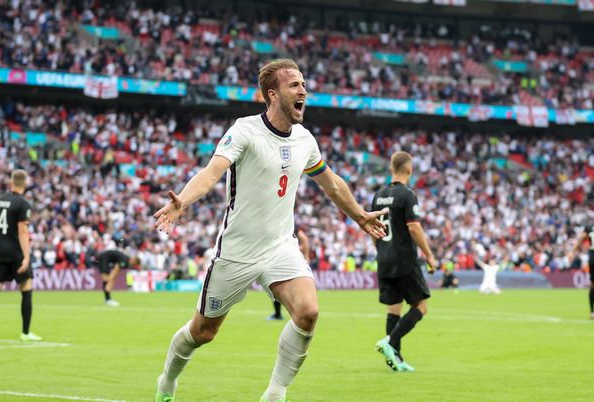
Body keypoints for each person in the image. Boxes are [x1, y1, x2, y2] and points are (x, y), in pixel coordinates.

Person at [152, 58, 387, 402]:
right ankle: (167, 381)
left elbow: (332, 184)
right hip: (237, 250)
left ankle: (275, 394)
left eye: (303, 84)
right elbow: (212, 173)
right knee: (202, 332)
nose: (303, 90)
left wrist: (359, 216)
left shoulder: (305, 139)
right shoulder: (244, 131)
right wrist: (181, 202)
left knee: (308, 312)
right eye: (295, 85)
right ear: (272, 95)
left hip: (280, 247)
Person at [371, 151, 437, 372]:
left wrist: (380, 250)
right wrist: (429, 254)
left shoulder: (378, 195)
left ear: (391, 168)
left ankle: (396, 360)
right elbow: (414, 227)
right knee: (421, 306)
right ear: (409, 170)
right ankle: (389, 342)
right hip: (404, 259)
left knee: (393, 309)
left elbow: (373, 229)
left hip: (384, 258)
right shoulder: (407, 194)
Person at [0, 169, 41, 342]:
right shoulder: (23, 204)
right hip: (16, 252)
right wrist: (26, 257)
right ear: (25, 183)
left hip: (0, 252)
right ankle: (25, 333)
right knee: (26, 290)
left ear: (11, 181)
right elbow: (22, 231)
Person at [268, 227, 310, 321]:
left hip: (289, 261)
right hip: (281, 260)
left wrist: (303, 254)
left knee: (281, 287)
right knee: (277, 288)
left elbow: (305, 240)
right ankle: (279, 314)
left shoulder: (293, 225)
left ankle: (290, 313)